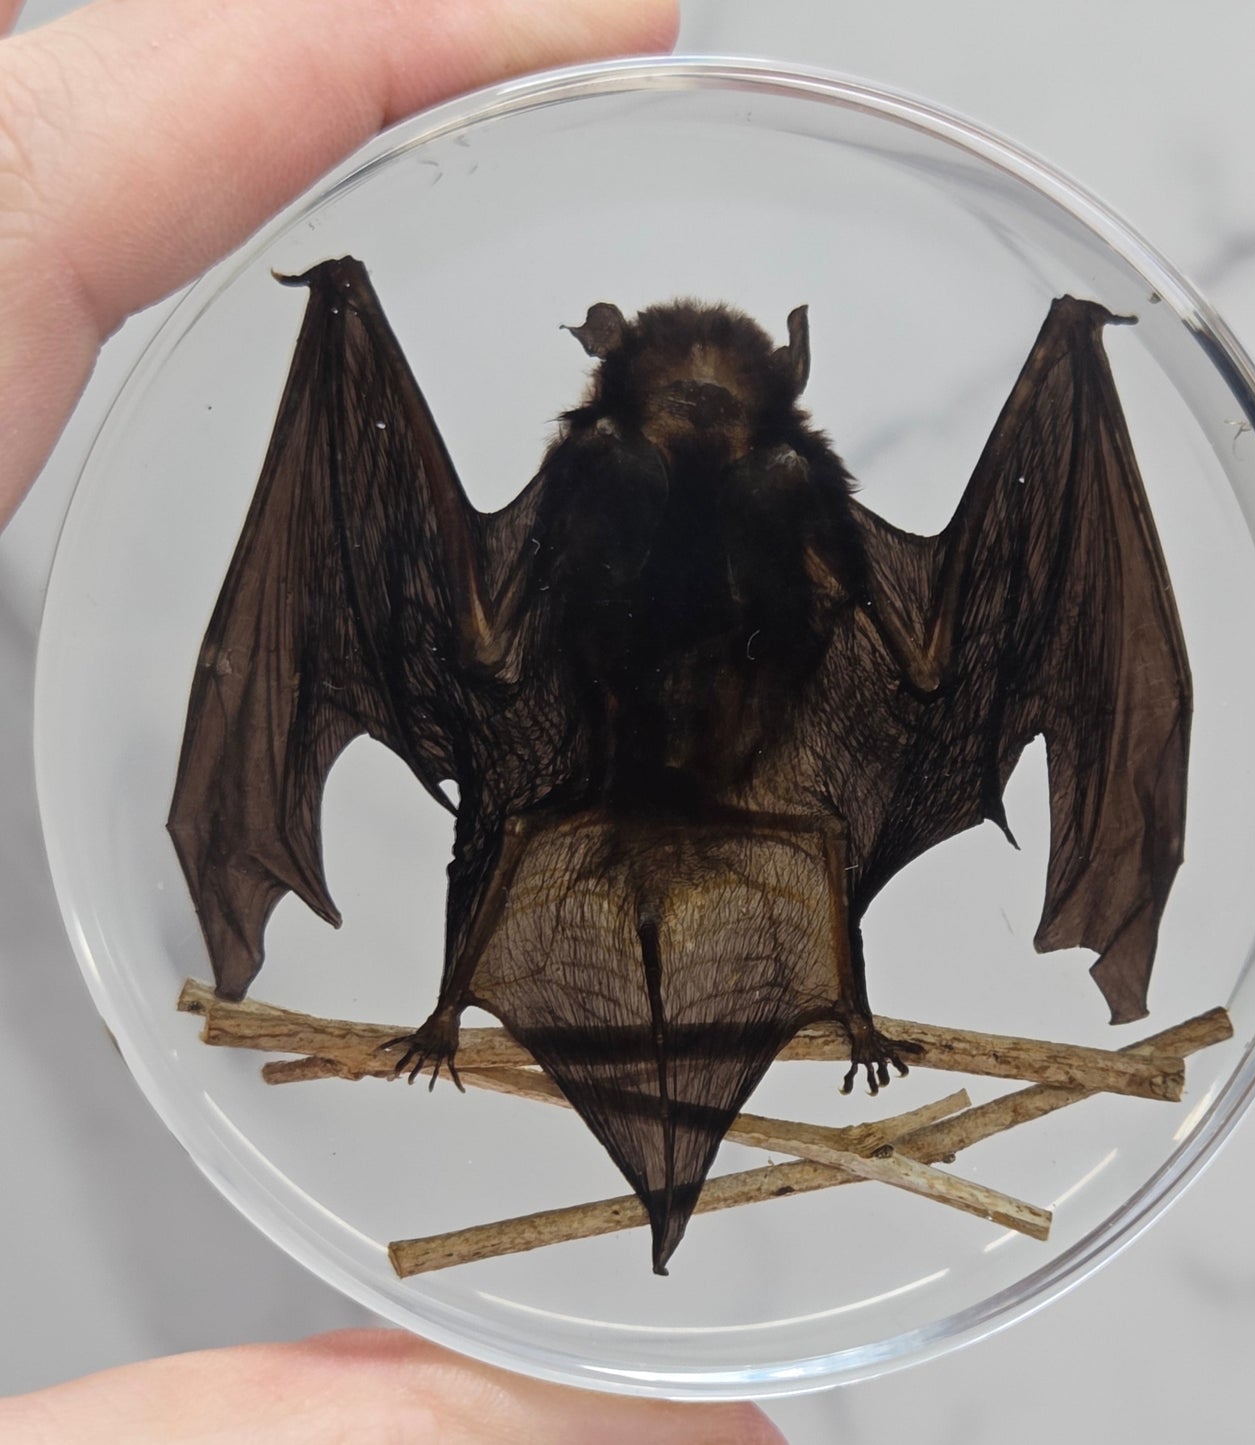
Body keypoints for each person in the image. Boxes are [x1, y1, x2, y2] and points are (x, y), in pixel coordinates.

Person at [0, 3, 785, 1440]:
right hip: (554, 772)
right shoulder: (563, 515)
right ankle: (450, 1001)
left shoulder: (797, 534)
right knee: (504, 799)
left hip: (732, 804)